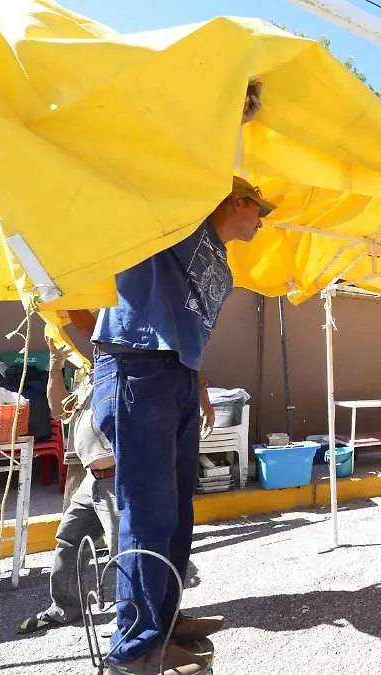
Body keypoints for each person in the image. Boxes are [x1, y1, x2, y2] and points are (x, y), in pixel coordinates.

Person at [93, 176, 274, 675]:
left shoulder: (218, 254)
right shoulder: (178, 217)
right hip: (137, 364)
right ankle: (135, 651)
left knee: (174, 513)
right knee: (148, 515)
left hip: (174, 371)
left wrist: (197, 381)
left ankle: (165, 623)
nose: (262, 222)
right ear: (235, 200)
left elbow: (183, 324)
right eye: (260, 210)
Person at [18, 326, 119, 635]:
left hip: (119, 479)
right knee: (69, 539)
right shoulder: (91, 375)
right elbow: (59, 410)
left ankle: (133, 619)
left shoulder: (123, 370)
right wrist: (56, 365)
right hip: (93, 479)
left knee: (124, 550)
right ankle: (65, 608)